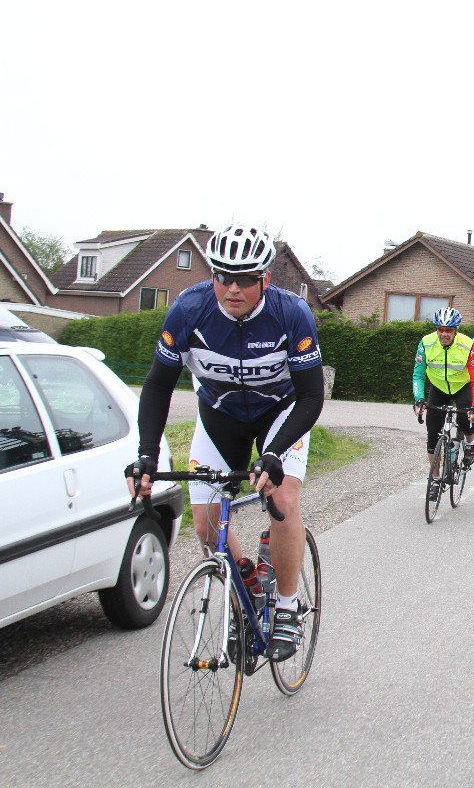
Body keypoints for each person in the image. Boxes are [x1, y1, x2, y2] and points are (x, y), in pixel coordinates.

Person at [124, 225, 325, 663]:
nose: (233, 288)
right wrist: (146, 454)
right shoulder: (188, 310)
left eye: (245, 279)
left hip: (281, 413)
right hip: (220, 415)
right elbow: (157, 386)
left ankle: (287, 606)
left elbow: (312, 395)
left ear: (264, 279)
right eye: (223, 276)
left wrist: (273, 454)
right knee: (206, 525)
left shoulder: (291, 314)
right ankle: (247, 587)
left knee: (282, 500)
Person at [413, 307, 474, 471]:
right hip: (438, 387)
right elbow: (418, 375)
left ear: (456, 330)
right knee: (432, 433)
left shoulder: (467, 345)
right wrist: (419, 399)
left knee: (466, 420)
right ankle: (435, 479)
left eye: (449, 330)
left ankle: (470, 442)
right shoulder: (425, 343)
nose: (444, 334)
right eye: (440, 329)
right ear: (436, 329)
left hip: (462, 386)